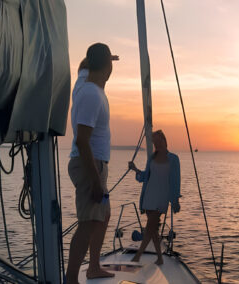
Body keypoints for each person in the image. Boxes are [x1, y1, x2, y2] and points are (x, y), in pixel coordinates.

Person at [66, 43, 118, 283]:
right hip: (90, 164)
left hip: (95, 163)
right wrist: (96, 181)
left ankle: (94, 266)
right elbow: (82, 140)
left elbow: (82, 65)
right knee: (88, 222)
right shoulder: (91, 94)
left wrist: (105, 57)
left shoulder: (82, 82)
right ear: (107, 66)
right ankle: (71, 279)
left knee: (103, 215)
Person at [128, 130, 181, 265]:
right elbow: (146, 177)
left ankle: (138, 255)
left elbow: (175, 181)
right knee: (153, 229)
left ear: (164, 140)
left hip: (161, 197)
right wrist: (135, 169)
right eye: (154, 142)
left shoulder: (174, 159)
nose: (156, 144)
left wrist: (175, 201)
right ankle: (160, 258)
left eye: (157, 141)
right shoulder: (151, 158)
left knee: (150, 226)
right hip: (149, 195)